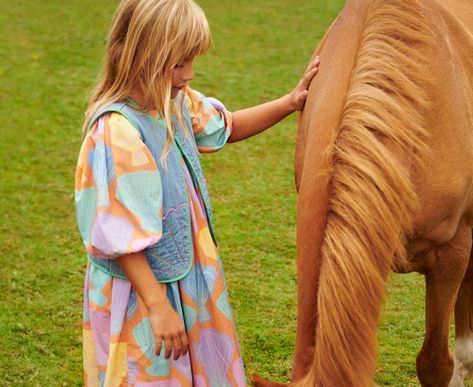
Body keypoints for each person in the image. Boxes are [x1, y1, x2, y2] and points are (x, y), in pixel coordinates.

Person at [74, 0, 319, 385]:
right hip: (145, 291)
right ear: (144, 56)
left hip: (187, 275)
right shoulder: (117, 132)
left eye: (191, 61)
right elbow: (121, 238)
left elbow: (229, 125)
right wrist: (157, 307)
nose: (189, 74)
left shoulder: (173, 102)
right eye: (178, 63)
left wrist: (290, 102)